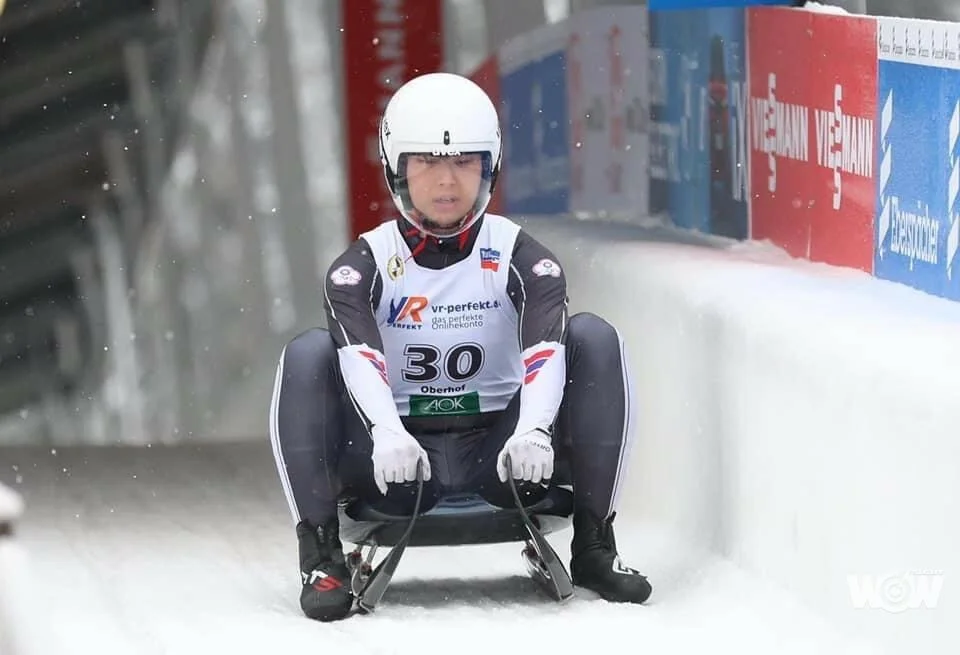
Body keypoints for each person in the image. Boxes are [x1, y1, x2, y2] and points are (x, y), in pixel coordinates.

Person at [269, 72, 652, 622]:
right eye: (426, 162)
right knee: (306, 354)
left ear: (488, 169)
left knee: (594, 337)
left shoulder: (524, 257)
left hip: (502, 454)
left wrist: (534, 429)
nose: (446, 182)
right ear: (397, 169)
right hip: (394, 465)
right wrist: (386, 433)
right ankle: (320, 555)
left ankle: (595, 545)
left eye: (463, 162)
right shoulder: (359, 268)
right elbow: (360, 358)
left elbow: (546, 349)